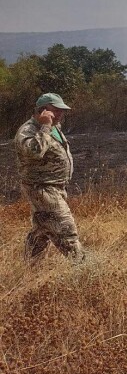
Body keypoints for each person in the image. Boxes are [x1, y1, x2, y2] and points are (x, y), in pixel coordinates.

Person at [14, 93, 84, 261]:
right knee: (66, 229)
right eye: (56, 110)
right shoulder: (28, 130)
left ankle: (29, 270)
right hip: (42, 189)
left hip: (56, 187)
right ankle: (84, 269)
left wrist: (49, 126)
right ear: (42, 110)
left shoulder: (54, 127)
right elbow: (35, 152)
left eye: (62, 110)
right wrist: (45, 126)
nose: (60, 114)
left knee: (42, 230)